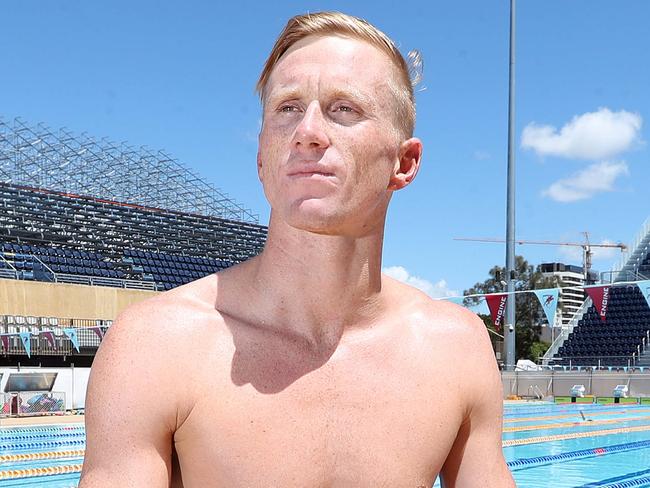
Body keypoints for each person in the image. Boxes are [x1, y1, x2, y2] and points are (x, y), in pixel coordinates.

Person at [79, 11, 515, 488]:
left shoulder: (455, 349)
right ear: (262, 156)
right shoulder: (156, 345)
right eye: (287, 108)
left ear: (404, 162)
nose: (307, 131)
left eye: (343, 108)